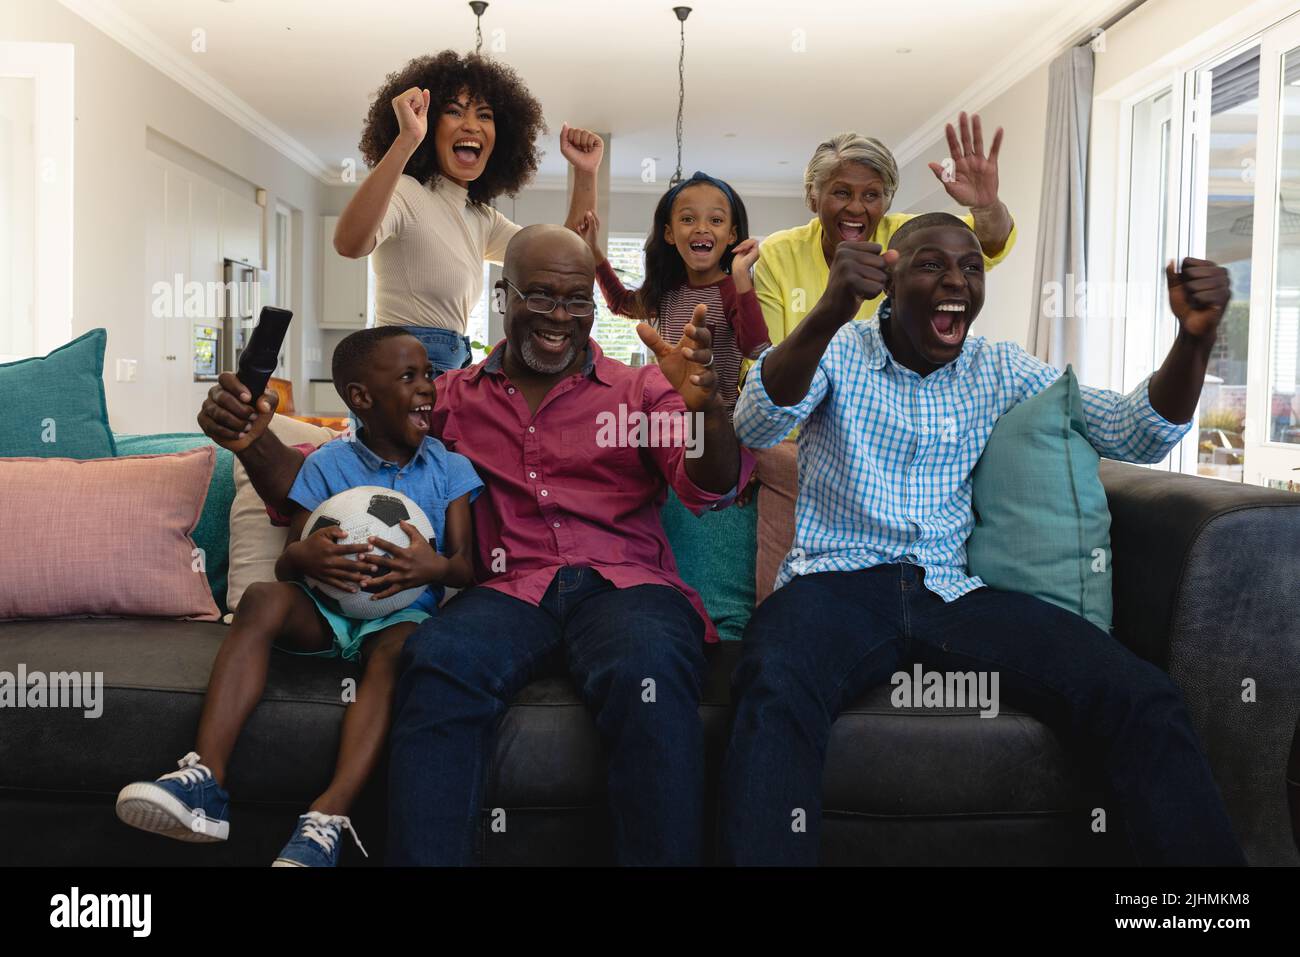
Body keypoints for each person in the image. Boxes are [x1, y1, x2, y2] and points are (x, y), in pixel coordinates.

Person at [197, 224, 753, 865]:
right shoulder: (449, 398)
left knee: (650, 672)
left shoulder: (639, 391)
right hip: (505, 591)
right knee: (435, 665)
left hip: (628, 587)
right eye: (541, 296)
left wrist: (705, 408)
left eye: (579, 302)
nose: (561, 318)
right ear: (503, 295)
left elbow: (710, 488)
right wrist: (250, 439)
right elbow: (338, 476)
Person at [722, 212, 1246, 866]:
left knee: (1139, 693)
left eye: (971, 267)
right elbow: (756, 420)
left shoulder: (995, 366)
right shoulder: (839, 348)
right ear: (887, 278)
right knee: (774, 684)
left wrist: (1194, 340)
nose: (958, 282)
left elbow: (1134, 430)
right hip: (834, 586)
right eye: (932, 265)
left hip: (953, 593)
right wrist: (829, 309)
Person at [121, 327, 482, 866]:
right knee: (264, 597)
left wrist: (432, 568)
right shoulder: (327, 465)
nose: (428, 387)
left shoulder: (451, 468)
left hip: (399, 616)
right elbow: (288, 558)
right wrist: (307, 558)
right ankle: (205, 782)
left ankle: (326, 821)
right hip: (327, 611)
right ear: (361, 398)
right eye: (410, 377)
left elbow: (467, 565)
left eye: (429, 374)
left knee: (402, 650)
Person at [333, 51, 605, 374]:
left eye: (485, 115)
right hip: (399, 373)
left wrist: (586, 173)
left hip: (452, 369)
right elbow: (349, 243)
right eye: (454, 112)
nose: (472, 126)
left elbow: (564, 256)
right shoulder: (407, 192)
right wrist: (407, 139)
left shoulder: (481, 219)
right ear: (430, 124)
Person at [753, 113, 1016, 346]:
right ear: (813, 197)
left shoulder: (908, 238)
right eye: (842, 193)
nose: (856, 208)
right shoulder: (778, 254)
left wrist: (986, 206)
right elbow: (767, 360)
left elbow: (988, 243)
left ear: (887, 201)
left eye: (871, 195)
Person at [577, 171, 769, 414]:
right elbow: (620, 303)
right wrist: (594, 251)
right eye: (688, 219)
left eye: (716, 221)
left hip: (720, 423)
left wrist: (742, 275)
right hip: (670, 418)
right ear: (669, 234)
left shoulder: (733, 290)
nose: (701, 228)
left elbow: (756, 348)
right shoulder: (667, 291)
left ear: (732, 235)